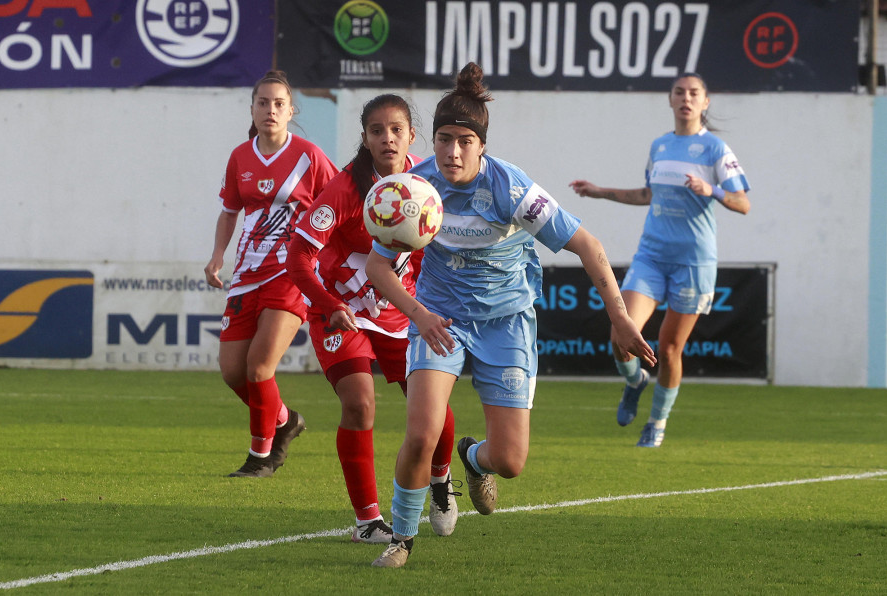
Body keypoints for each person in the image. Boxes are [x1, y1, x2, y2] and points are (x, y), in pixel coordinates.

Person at [365, 63, 656, 568]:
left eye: (464, 141)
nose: (452, 152)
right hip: (440, 321)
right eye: (442, 139)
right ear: (430, 140)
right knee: (420, 430)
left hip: (506, 323)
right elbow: (377, 264)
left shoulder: (511, 189)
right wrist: (419, 313)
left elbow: (587, 245)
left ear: (482, 146)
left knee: (511, 461)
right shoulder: (413, 189)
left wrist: (621, 318)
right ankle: (402, 539)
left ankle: (474, 460)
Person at [287, 94, 460, 543]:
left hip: (401, 312)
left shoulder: (427, 183)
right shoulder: (346, 188)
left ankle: (441, 481)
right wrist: (328, 305)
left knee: (434, 410)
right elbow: (299, 256)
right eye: (377, 131)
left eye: (396, 130)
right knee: (360, 403)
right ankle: (367, 521)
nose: (387, 138)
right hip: (343, 313)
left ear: (411, 136)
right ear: (364, 139)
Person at [570, 72, 751, 448]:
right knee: (621, 335)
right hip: (652, 255)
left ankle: (657, 422)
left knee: (669, 349)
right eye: (679, 92)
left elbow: (743, 203)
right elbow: (647, 194)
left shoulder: (716, 149)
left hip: (693, 262)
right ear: (670, 100)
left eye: (694, 93)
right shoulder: (660, 146)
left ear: (705, 102)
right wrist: (599, 192)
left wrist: (712, 189)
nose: (686, 98)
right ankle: (635, 381)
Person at [204, 70, 339, 477]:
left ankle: (261, 457)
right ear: (252, 108)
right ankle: (285, 420)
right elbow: (230, 212)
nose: (271, 110)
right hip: (246, 274)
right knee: (233, 372)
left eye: (279, 103)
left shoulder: (309, 156)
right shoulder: (240, 156)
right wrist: (217, 257)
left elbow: (338, 203)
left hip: (291, 274)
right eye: (263, 103)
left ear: (291, 110)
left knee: (259, 368)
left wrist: (329, 262)